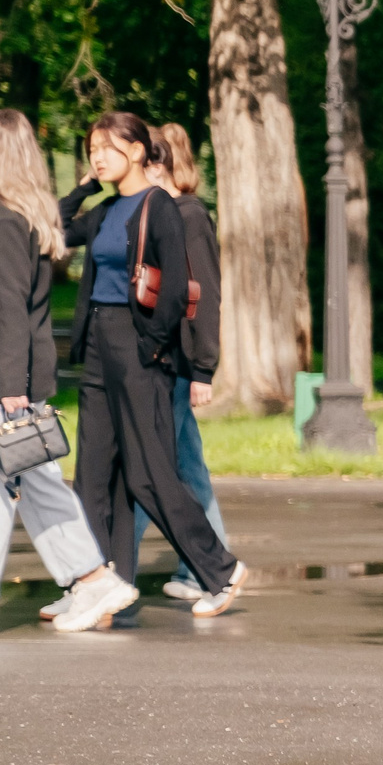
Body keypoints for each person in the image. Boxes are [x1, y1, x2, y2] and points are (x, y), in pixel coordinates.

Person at [61, 112, 246, 617]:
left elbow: (179, 287)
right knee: (93, 474)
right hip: (99, 346)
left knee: (147, 473)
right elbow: (54, 229)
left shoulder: (159, 206)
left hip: (138, 347)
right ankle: (98, 583)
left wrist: (155, 347)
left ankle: (221, 571)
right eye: (91, 148)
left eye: (106, 147)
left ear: (139, 151)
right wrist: (81, 188)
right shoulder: (102, 211)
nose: (96, 156)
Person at [0, 110, 137, 637]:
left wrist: (10, 391)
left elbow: (12, 308)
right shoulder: (24, 217)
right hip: (9, 377)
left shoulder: (3, 221)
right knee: (38, 485)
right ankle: (91, 579)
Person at [123, 124, 227, 601]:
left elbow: (203, 294)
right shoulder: (165, 216)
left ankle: (114, 568)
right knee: (180, 466)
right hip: (170, 361)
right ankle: (206, 568)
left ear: (158, 166)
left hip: (181, 363)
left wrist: (202, 368)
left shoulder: (188, 216)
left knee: (158, 465)